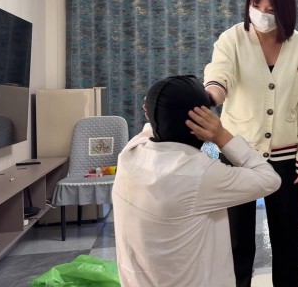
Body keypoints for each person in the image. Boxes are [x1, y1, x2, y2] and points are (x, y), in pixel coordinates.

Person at [204, 0, 298, 287]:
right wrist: (211, 94)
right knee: (237, 242)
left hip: (285, 158)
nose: (263, 14)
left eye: (271, 9)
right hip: (237, 155)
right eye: (257, 6)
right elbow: (219, 74)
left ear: (285, 8)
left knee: (287, 242)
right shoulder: (232, 39)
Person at [112, 75, 282, 287]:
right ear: (201, 124)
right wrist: (221, 136)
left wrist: (158, 107)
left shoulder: (130, 153)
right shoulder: (199, 173)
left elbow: (152, 128)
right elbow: (269, 179)